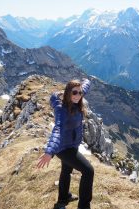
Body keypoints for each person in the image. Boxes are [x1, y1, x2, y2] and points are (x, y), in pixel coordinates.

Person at [37, 78, 94, 209]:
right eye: (75, 93)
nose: (78, 95)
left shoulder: (77, 97)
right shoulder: (62, 110)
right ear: (68, 93)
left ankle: (63, 198)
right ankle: (84, 207)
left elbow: (84, 87)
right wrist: (49, 152)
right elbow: (57, 130)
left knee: (66, 170)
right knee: (88, 171)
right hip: (63, 149)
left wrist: (87, 80)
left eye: (80, 93)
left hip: (71, 145)